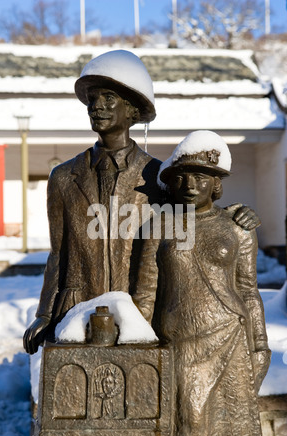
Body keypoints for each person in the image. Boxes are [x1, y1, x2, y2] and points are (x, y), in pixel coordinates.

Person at [23, 51, 261, 355]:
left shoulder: (159, 177)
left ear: (133, 110)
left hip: (137, 315)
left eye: (108, 98)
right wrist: (45, 313)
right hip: (76, 311)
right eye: (92, 99)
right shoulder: (63, 177)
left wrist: (233, 216)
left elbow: (196, 217)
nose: (97, 106)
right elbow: (58, 253)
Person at [133, 130, 271, 436]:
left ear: (216, 183)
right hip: (180, 341)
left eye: (200, 176)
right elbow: (146, 291)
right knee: (188, 424)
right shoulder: (159, 225)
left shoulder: (237, 227)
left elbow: (249, 291)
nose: (190, 185)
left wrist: (260, 345)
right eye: (181, 177)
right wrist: (138, 345)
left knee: (234, 427)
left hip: (231, 338)